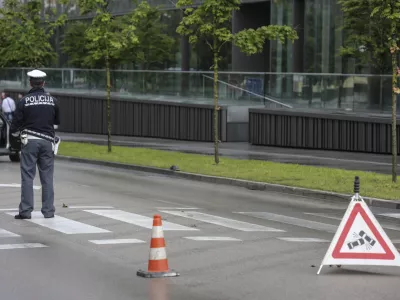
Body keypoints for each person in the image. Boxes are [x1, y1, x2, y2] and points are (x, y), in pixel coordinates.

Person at [10, 69, 60, 220]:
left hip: (30, 141)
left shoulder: (23, 101)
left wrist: (14, 139)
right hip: (47, 142)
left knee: (27, 176)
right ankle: (48, 211)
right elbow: (56, 123)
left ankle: (25, 211)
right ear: (43, 83)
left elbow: (14, 126)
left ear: (30, 83)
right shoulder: (53, 101)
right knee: (47, 177)